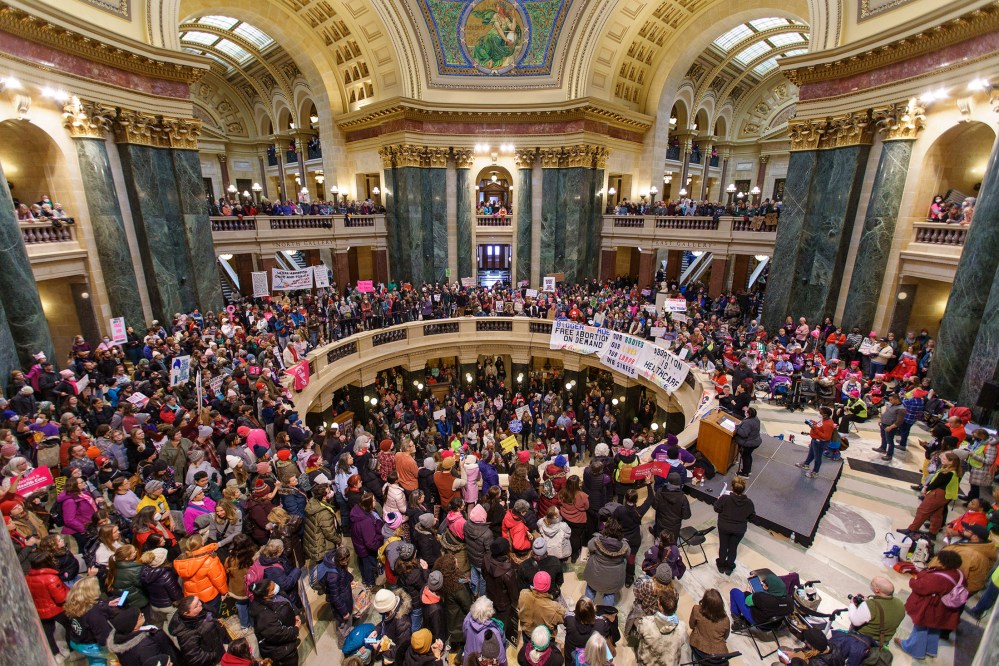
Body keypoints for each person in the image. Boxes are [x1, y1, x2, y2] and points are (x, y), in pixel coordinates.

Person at [895, 549, 964, 660]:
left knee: (920, 627)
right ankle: (930, 649)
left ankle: (913, 649)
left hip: (932, 607)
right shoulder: (958, 574)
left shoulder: (939, 578)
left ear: (943, 562)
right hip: (944, 608)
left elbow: (921, 587)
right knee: (935, 628)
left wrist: (913, 580)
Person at [904, 451, 961, 537]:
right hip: (946, 496)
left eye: (945, 458)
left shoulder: (946, 472)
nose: (942, 459)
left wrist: (926, 488)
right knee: (937, 514)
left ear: (951, 461)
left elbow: (936, 483)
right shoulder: (954, 472)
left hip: (938, 494)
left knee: (922, 511)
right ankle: (933, 533)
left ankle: (912, 529)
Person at [26, 550, 71, 658]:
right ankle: (73, 650)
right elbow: (61, 598)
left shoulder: (27, 578)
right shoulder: (51, 578)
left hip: (39, 610)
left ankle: (55, 655)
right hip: (57, 609)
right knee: (70, 626)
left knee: (48, 633)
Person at [931, 522, 997, 593]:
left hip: (949, 589)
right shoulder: (975, 546)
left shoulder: (970, 555)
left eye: (967, 530)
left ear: (975, 537)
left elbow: (955, 573)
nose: (963, 529)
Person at [172, 534, 228, 617]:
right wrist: (224, 592)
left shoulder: (182, 561)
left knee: (200, 617)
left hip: (192, 598)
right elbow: (218, 578)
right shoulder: (209, 559)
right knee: (212, 616)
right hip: (210, 596)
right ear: (202, 543)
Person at [63, 575, 115, 663]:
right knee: (98, 663)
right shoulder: (93, 612)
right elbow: (104, 637)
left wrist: (107, 604)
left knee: (93, 660)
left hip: (77, 641)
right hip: (91, 646)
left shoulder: (75, 603)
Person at [249, 579, 301, 666]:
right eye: (273, 587)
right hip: (281, 652)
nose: (277, 587)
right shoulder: (264, 615)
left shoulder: (275, 594)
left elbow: (287, 601)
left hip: (289, 641)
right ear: (266, 596)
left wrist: (295, 613)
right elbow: (278, 634)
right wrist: (295, 630)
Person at [105, 607, 179, 666]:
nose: (143, 614)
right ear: (133, 626)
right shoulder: (146, 646)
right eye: (140, 616)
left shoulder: (119, 640)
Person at [168, 595, 230, 666]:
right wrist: (214, 655)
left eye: (198, 601)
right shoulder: (186, 632)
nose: (200, 603)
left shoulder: (201, 608)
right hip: (214, 660)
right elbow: (194, 657)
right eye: (196, 605)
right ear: (187, 613)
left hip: (218, 644)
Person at [846, 576, 905, 650]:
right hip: (883, 641)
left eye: (873, 583)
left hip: (863, 640)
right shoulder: (900, 603)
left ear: (877, 590)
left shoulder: (870, 605)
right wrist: (870, 601)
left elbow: (855, 621)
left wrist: (852, 605)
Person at [636, 590, 691, 665]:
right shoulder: (682, 627)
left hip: (648, 661)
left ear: (660, 606)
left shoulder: (646, 622)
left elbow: (638, 632)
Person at [582, 519, 630, 605]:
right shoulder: (625, 546)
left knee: (591, 589)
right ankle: (605, 616)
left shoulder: (596, 541)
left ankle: (585, 611)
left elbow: (589, 546)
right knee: (609, 594)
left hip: (594, 574)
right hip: (613, 579)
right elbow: (628, 555)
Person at [714, 476, 755, 575]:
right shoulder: (749, 503)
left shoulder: (725, 498)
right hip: (739, 529)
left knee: (723, 546)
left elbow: (717, 509)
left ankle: (721, 565)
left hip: (724, 526)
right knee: (733, 548)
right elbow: (751, 517)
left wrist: (718, 500)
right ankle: (729, 567)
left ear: (732, 488)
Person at [518, 571, 565, 642]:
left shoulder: (523, 594)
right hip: (544, 640)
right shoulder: (555, 609)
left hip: (527, 635)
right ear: (548, 586)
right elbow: (563, 618)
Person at [373, 588, 413, 665]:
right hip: (387, 647)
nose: (381, 614)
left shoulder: (403, 624)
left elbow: (400, 650)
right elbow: (385, 622)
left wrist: (379, 647)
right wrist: (377, 630)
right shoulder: (390, 610)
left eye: (381, 612)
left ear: (387, 609)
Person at [688, 588, 730, 661]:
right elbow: (725, 637)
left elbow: (691, 625)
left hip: (698, 649)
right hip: (719, 658)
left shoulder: (696, 609)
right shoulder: (726, 620)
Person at [796, 407, 836, 478]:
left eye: (820, 412)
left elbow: (826, 437)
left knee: (817, 458)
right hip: (815, 440)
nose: (819, 413)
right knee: (811, 453)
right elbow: (819, 426)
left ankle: (815, 472)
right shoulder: (824, 420)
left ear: (825, 415)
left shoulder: (828, 424)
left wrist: (814, 429)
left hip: (820, 443)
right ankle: (806, 464)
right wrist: (813, 423)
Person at [779, 627, 843, 665]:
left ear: (812, 646)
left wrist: (789, 663)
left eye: (806, 642)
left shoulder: (814, 663)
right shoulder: (834, 648)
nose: (805, 643)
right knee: (782, 649)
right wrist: (796, 652)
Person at [874, 393, 905, 461]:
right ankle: (883, 448)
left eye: (891, 400)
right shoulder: (891, 404)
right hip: (884, 423)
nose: (890, 401)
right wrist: (881, 419)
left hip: (890, 426)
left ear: (896, 399)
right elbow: (885, 413)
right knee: (883, 437)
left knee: (890, 441)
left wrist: (891, 427)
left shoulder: (901, 409)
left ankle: (889, 454)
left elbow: (899, 421)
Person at [733, 408, 762, 475]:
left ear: (748, 414)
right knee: (748, 456)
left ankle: (745, 473)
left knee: (746, 456)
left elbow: (743, 434)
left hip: (749, 443)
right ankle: (747, 470)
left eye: (746, 411)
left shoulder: (748, 422)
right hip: (755, 440)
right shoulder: (755, 418)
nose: (745, 411)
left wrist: (736, 426)